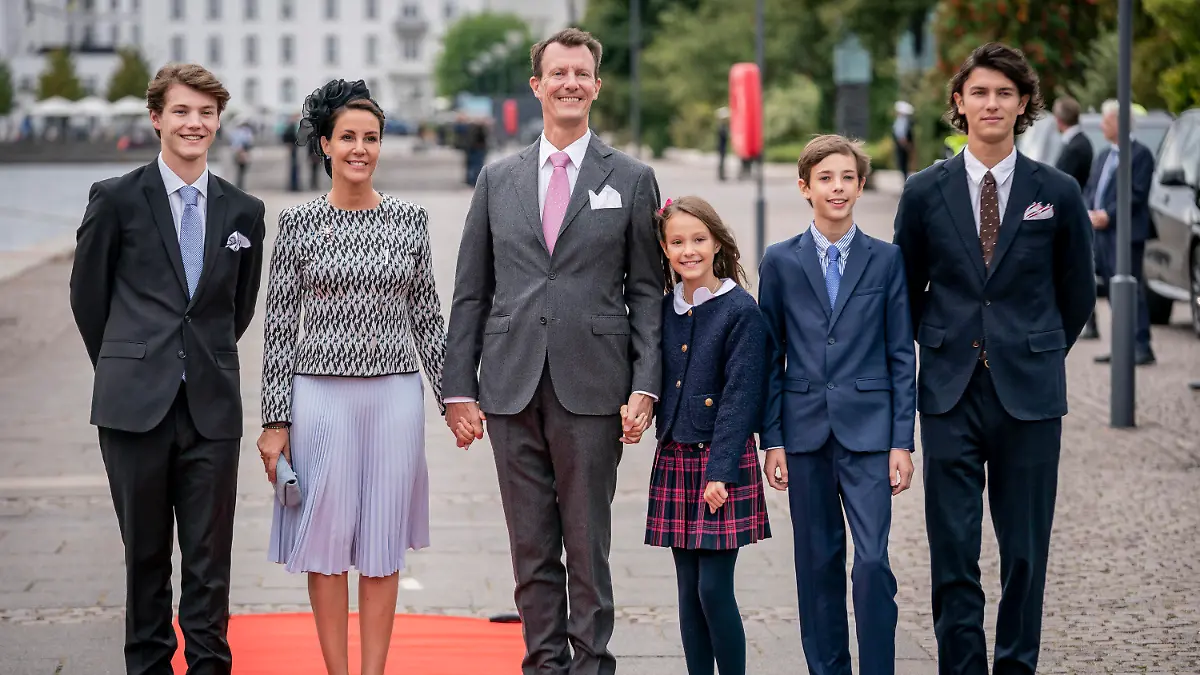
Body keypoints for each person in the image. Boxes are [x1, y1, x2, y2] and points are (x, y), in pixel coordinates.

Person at [443, 27, 662, 675]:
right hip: (510, 387)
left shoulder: (631, 178)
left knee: (587, 541)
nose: (570, 82)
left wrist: (645, 384)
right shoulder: (497, 178)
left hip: (593, 387)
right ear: (537, 86)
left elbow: (648, 291)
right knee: (531, 544)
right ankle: (543, 663)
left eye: (582, 73)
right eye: (557, 73)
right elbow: (471, 290)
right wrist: (460, 388)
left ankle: (593, 663)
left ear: (596, 85)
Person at [892, 43, 1095, 675]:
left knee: (1025, 548)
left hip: (1030, 394)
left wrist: (1035, 349)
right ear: (959, 102)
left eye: (1005, 93)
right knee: (953, 547)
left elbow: (1078, 291)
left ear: (1024, 104)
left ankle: (1015, 664)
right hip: (950, 391)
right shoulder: (925, 191)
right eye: (979, 92)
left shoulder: (1056, 191)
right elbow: (907, 286)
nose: (992, 103)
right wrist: (945, 342)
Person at [68, 63, 266, 675]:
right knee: (145, 560)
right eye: (182, 111)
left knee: (211, 563)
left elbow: (238, 308)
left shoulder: (244, 211)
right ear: (156, 118)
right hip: (134, 408)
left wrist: (195, 358)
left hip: (211, 410)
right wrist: (132, 358)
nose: (194, 124)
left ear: (218, 122)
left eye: (206, 113)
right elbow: (88, 298)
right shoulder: (116, 198)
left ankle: (210, 666)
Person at [257, 79, 447, 675]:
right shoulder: (298, 223)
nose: (360, 148)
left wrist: (456, 400)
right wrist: (273, 421)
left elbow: (427, 317)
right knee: (326, 541)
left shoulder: (409, 219)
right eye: (348, 137)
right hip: (319, 397)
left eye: (370, 138)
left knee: (383, 544)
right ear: (325, 145)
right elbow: (279, 325)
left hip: (394, 394)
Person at [760, 135, 916, 675]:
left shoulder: (886, 260)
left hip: (870, 435)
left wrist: (902, 441)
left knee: (872, 562)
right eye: (826, 178)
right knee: (818, 563)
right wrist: (772, 439)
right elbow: (770, 357)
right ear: (805, 187)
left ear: (861, 184)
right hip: (804, 436)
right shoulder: (779, 262)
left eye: (847, 177)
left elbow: (901, 355)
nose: (838, 188)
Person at [646, 196, 771, 675]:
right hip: (676, 455)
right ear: (664, 247)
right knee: (686, 591)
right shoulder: (665, 308)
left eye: (698, 240)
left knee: (713, 589)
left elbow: (741, 397)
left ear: (717, 242)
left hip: (722, 464)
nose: (688, 250)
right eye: (677, 242)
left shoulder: (740, 311)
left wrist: (720, 472)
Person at [1084, 99, 1157, 365]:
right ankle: (1122, 347)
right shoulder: (1103, 155)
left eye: (1106, 121)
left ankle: (1141, 346)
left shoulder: (1140, 155)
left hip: (1125, 233)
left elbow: (1135, 193)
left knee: (1130, 290)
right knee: (1114, 293)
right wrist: (1090, 212)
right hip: (1101, 234)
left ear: (1119, 122)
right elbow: (1092, 189)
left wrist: (1109, 215)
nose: (1102, 126)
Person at [1052, 96, 1097, 339]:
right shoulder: (1079, 142)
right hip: (1079, 212)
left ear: (1059, 120)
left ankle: (1088, 323)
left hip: (1073, 215)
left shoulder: (1077, 145)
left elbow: (1063, 181)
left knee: (1076, 268)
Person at [892, 101, 915, 181]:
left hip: (903, 146)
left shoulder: (902, 121)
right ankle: (905, 179)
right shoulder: (903, 121)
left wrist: (906, 145)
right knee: (903, 164)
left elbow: (901, 135)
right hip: (902, 146)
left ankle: (905, 179)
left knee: (903, 163)